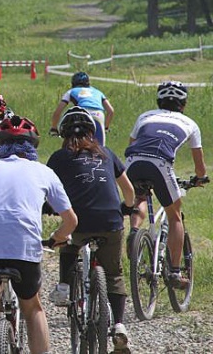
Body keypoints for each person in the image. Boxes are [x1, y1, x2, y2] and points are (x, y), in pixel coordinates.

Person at [0, 115, 78, 354]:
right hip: (23, 247)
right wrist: (58, 237)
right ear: (33, 145)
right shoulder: (43, 172)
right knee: (32, 307)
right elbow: (70, 220)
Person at [46, 106, 136, 352]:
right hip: (110, 220)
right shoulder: (106, 153)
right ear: (92, 132)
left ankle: (64, 287)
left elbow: (48, 189)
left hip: (79, 220)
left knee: (68, 243)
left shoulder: (58, 157)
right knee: (114, 274)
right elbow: (129, 192)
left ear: (63, 133)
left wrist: (47, 208)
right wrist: (126, 208)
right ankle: (118, 325)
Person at [124, 81, 208, 289]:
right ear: (184, 104)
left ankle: (134, 232)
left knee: (140, 197)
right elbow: (200, 166)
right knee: (174, 215)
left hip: (132, 161)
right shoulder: (189, 123)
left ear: (158, 101)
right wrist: (199, 178)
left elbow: (132, 144)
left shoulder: (144, 116)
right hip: (160, 163)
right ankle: (175, 272)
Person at [50, 71, 114, 145]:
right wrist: (106, 127)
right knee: (101, 147)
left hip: (82, 113)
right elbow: (110, 111)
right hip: (98, 114)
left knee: (77, 143)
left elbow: (58, 112)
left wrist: (54, 128)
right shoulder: (98, 92)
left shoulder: (71, 91)